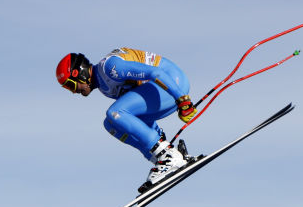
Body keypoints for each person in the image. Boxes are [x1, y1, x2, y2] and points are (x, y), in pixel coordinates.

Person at [56, 49, 199, 193]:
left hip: (172, 83)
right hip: (163, 91)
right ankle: (164, 158)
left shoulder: (110, 68)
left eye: (71, 85)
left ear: (79, 73)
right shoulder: (104, 87)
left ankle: (167, 156)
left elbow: (155, 73)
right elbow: (136, 114)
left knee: (115, 112)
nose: (74, 92)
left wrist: (183, 100)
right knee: (110, 124)